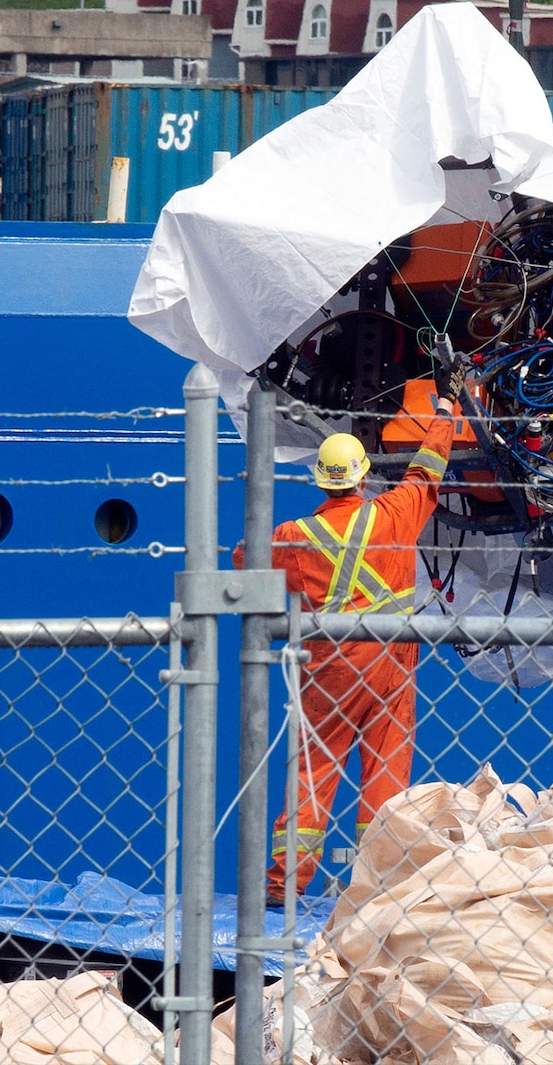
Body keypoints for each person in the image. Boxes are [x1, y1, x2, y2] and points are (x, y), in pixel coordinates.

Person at [237, 356, 466, 904]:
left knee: (313, 771)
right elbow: (427, 469)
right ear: (363, 477)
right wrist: (446, 404)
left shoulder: (296, 536)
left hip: (330, 668)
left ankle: (284, 886)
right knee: (386, 772)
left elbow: (244, 558)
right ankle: (378, 885)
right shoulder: (394, 513)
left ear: (321, 480)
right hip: (391, 662)